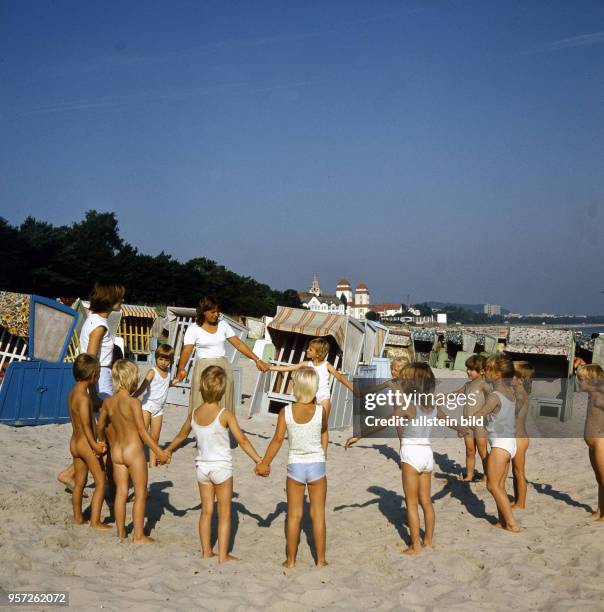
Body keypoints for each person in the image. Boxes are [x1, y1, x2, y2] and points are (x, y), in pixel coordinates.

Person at [345, 363, 468, 555]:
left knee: (411, 503)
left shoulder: (408, 406)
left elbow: (384, 422)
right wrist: (462, 429)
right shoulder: (432, 405)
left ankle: (415, 545)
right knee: (426, 502)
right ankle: (427, 541)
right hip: (427, 454)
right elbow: (449, 422)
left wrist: (358, 436)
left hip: (410, 454)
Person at [167, 366, 265, 562]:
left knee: (206, 511)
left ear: (201, 387)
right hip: (221, 469)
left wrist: (168, 450)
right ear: (222, 390)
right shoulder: (225, 414)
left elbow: (181, 435)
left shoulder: (194, 413)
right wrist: (258, 460)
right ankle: (222, 556)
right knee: (225, 514)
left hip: (202, 469)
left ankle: (205, 552)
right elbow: (243, 440)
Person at [257, 367, 328, 568]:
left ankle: (290, 560)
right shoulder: (321, 411)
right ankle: (321, 560)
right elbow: (323, 431)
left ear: (296, 387)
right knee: (318, 514)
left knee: (294, 514)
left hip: (295, 465)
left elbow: (277, 440)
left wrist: (264, 463)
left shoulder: (285, 411)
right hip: (316, 464)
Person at [57, 281, 125, 492]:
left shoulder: (92, 320)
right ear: (109, 300)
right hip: (100, 376)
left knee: (103, 430)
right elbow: (91, 358)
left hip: (99, 374)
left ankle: (76, 474)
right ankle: (106, 482)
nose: (122, 300)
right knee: (107, 430)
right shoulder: (100, 326)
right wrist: (94, 393)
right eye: (119, 297)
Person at [97, 360, 171, 543]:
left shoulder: (108, 402)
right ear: (131, 379)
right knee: (140, 492)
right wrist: (159, 451)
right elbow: (142, 432)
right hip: (133, 451)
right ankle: (138, 535)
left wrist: (100, 440)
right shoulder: (134, 403)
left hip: (117, 452)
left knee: (121, 492)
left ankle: (121, 532)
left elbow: (100, 426)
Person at [173, 296, 269, 415]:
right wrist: (181, 369)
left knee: (223, 405)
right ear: (203, 311)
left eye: (217, 311)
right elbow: (186, 351)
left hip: (222, 368)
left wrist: (257, 360)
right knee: (201, 404)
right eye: (212, 312)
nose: (216, 314)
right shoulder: (193, 329)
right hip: (204, 369)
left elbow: (238, 344)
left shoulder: (223, 325)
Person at [472, 355, 520, 532]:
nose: (485, 372)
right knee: (499, 486)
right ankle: (502, 521)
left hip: (500, 444)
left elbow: (481, 413)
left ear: (498, 374)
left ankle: (512, 524)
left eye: (489, 369)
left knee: (492, 485)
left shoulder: (494, 396)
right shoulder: (510, 393)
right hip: (509, 442)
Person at [67, 354, 111, 531]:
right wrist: (95, 445)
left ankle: (78, 517)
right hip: (86, 444)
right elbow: (86, 425)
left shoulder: (72, 393)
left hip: (74, 442)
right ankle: (95, 521)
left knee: (79, 482)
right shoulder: (84, 398)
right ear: (94, 376)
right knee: (101, 481)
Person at [451, 355, 490, 482]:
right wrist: (439, 398)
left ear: (482, 371)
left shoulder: (485, 385)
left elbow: (493, 401)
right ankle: (469, 475)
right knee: (469, 451)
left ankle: (487, 475)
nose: (468, 371)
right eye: (468, 368)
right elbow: (456, 394)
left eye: (472, 369)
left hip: (480, 424)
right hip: (467, 424)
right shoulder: (467, 385)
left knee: (483, 452)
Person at [134, 344, 175, 468]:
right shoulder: (152, 371)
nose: (163, 362)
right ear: (156, 358)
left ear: (171, 361)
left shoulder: (168, 373)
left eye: (166, 360)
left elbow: (165, 385)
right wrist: (132, 397)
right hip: (147, 406)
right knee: (142, 436)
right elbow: (143, 387)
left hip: (159, 408)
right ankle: (136, 460)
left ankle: (152, 464)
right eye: (160, 359)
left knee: (155, 438)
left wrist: (175, 381)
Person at [576, 364, 604, 521]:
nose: (578, 382)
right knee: (599, 479)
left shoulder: (599, 397)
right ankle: (600, 510)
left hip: (600, 442)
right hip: (593, 444)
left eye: (581, 380)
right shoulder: (591, 396)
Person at [511, 361, 535, 509]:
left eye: (511, 376)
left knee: (519, 472)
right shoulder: (516, 392)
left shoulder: (520, 395)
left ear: (520, 379)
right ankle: (517, 499)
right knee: (515, 471)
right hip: (516, 436)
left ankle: (521, 503)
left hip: (519, 438)